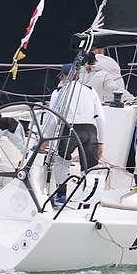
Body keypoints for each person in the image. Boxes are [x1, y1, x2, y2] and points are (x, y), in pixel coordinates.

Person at [43, 63, 107, 207]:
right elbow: (101, 118)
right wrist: (101, 142)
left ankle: (61, 195)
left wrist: (46, 139)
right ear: (78, 76)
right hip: (90, 131)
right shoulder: (91, 91)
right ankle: (90, 201)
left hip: (69, 130)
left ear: (63, 76)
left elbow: (53, 118)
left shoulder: (58, 92)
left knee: (61, 161)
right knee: (90, 167)